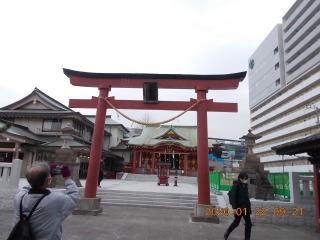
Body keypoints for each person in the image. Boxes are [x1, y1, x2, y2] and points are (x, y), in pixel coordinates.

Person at [11, 162, 81, 240]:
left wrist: (42, 177)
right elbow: (75, 197)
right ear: (48, 180)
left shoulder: (19, 197)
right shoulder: (56, 200)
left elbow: (28, 186)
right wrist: (67, 179)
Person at [224, 172, 252, 240]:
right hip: (239, 207)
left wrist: (249, 208)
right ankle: (227, 232)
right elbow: (233, 197)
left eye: (246, 179)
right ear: (240, 178)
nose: (245, 180)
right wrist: (234, 208)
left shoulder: (245, 186)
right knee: (236, 223)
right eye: (244, 179)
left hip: (245, 207)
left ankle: (247, 238)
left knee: (248, 223)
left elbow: (246, 197)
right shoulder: (236, 185)